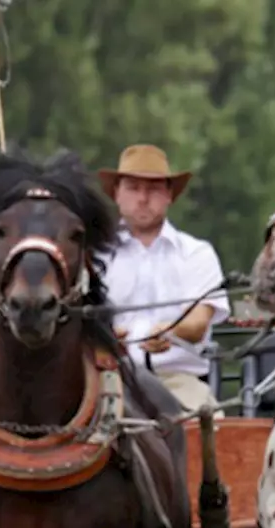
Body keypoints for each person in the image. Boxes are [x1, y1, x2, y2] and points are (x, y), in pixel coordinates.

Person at [97, 143, 230, 412]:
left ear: (169, 195)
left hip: (179, 382)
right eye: (133, 188)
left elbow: (197, 323)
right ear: (117, 194)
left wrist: (172, 331)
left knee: (212, 437)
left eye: (154, 188)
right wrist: (103, 337)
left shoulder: (197, 253)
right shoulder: (95, 255)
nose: (143, 198)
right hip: (106, 382)